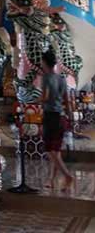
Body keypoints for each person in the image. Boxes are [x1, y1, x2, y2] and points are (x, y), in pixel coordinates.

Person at [42, 50, 73, 192]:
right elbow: (67, 99)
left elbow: (45, 97)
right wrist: (70, 115)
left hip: (51, 116)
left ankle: (67, 176)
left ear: (44, 62)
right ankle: (51, 180)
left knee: (50, 151)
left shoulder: (46, 77)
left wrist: (34, 101)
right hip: (61, 117)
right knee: (56, 150)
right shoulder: (61, 78)